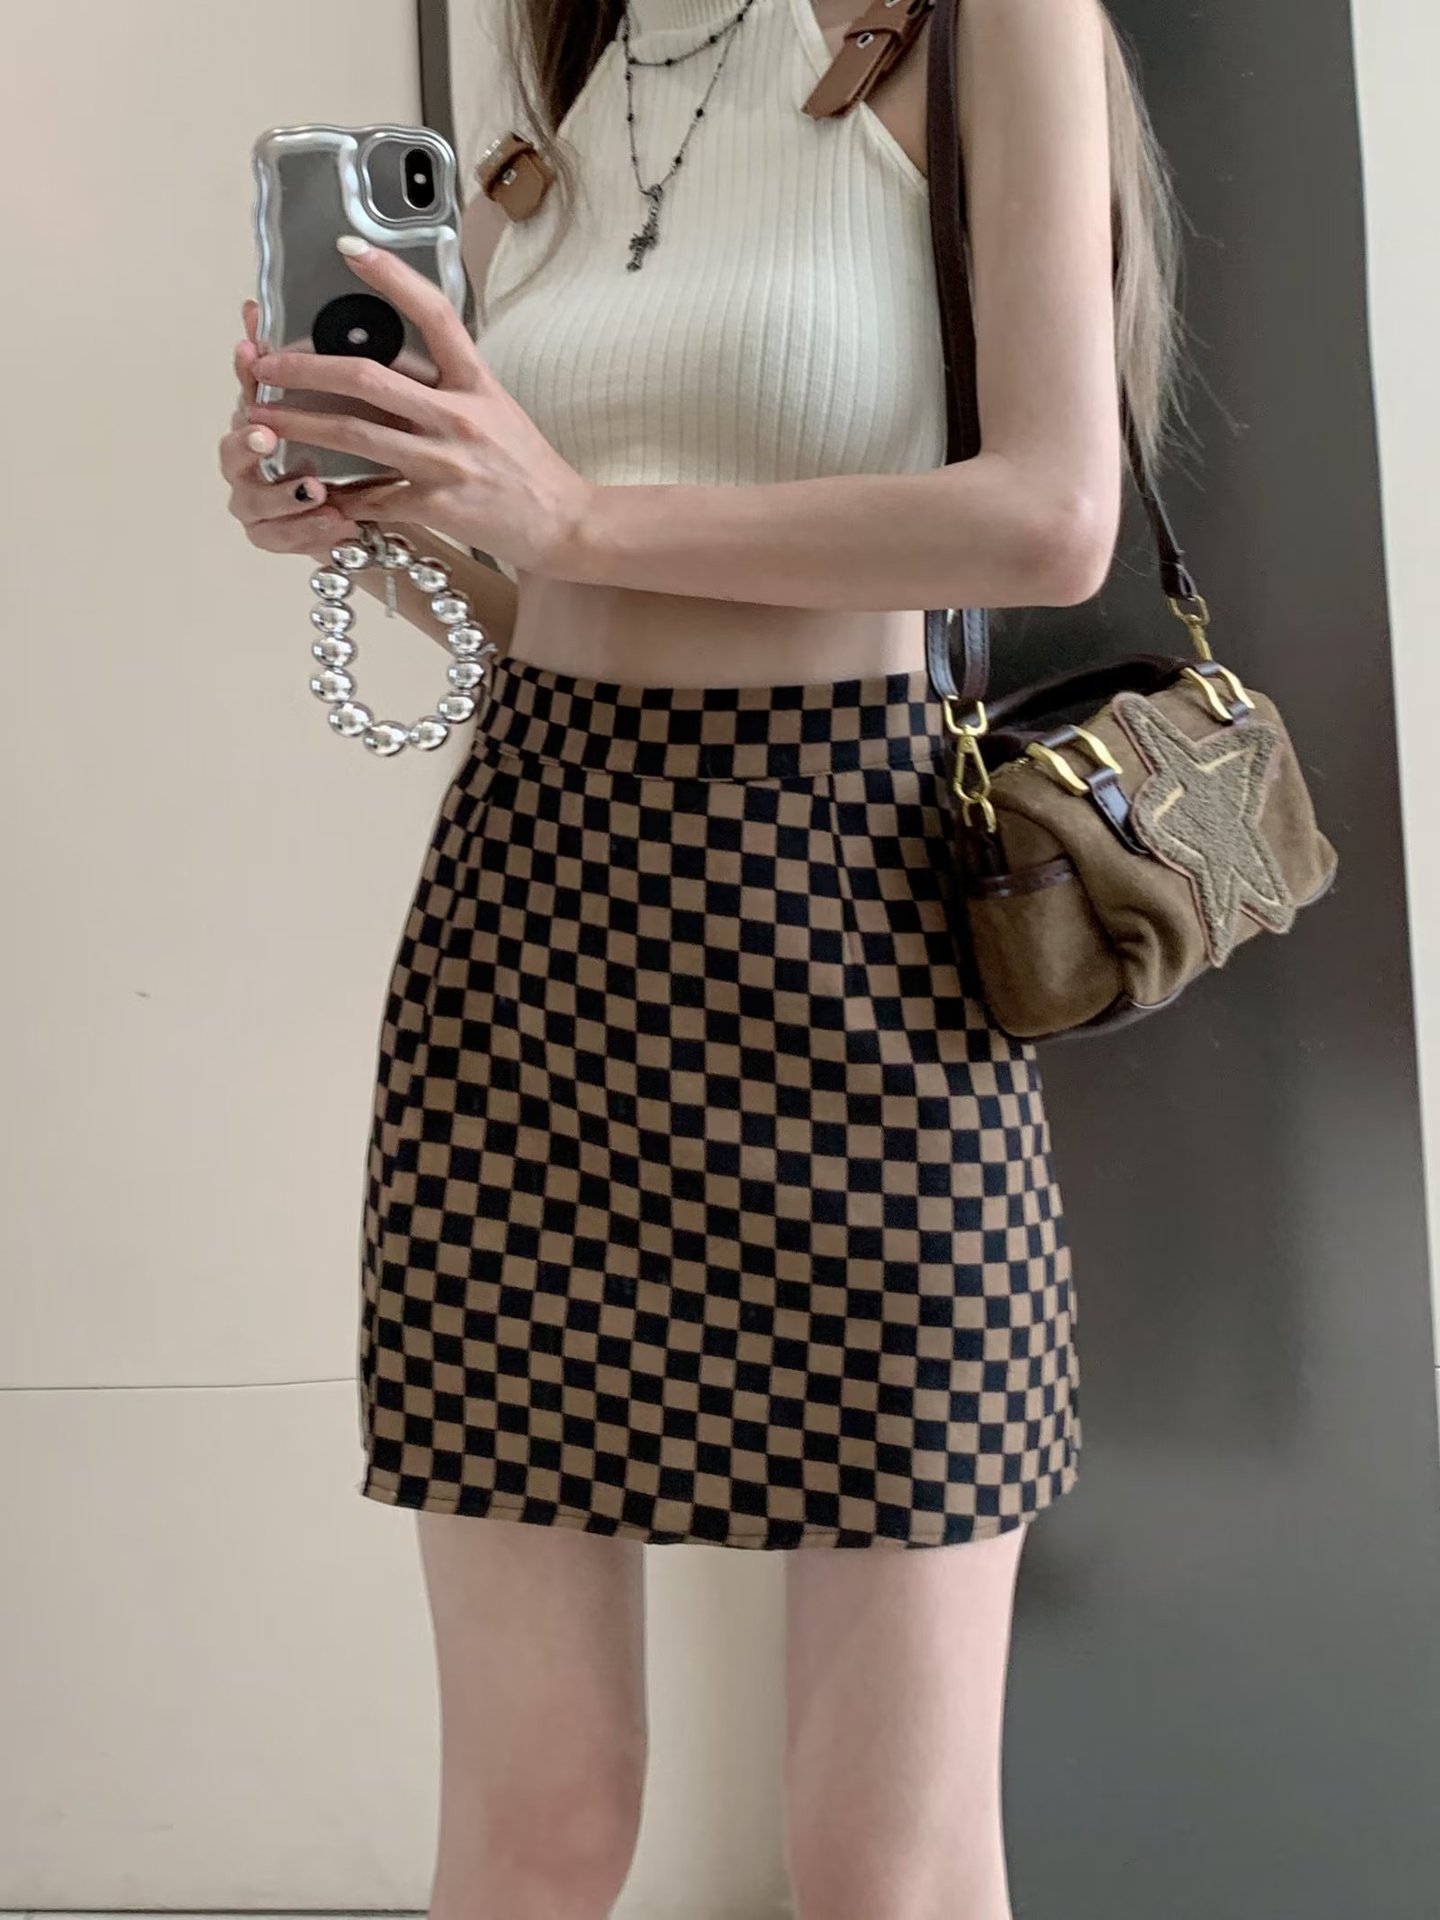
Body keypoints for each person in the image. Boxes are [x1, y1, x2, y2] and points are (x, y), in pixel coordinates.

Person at [220, 1, 1181, 1913]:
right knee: (536, 1823)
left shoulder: (996, 24)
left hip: (861, 935)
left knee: (886, 1864)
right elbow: (543, 588)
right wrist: (375, 517)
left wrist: (569, 509)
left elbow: (1055, 517)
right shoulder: (583, 61)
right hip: (529, 936)